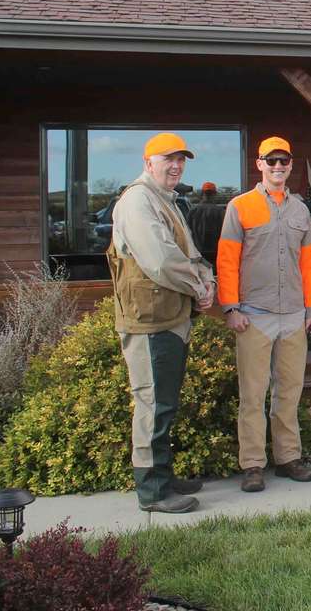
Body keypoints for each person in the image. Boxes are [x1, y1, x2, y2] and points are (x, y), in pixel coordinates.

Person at [108, 132, 215, 513]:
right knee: (153, 404)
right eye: (168, 159)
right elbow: (160, 260)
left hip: (168, 316)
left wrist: (207, 279)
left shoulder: (164, 201)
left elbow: (189, 253)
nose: (176, 166)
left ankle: (163, 475)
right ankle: (153, 491)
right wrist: (198, 285)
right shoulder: (138, 201)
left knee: (163, 403)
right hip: (150, 322)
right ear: (148, 161)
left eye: (181, 160)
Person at [217, 136, 311, 492]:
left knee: (289, 392)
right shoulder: (240, 206)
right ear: (259, 164)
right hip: (254, 315)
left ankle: (288, 457)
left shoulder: (301, 211)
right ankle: (252, 465)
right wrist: (230, 307)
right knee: (253, 394)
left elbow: (309, 265)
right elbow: (227, 261)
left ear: (291, 165)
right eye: (271, 161)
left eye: (284, 161)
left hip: (293, 314)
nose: (278, 167)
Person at [187, 181, 224, 266]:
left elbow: (187, 233)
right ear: (214, 194)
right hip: (215, 254)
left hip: (197, 254)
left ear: (202, 194)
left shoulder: (193, 211)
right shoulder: (220, 212)